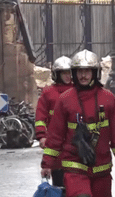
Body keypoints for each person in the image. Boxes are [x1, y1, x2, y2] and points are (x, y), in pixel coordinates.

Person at [40, 49, 115, 197]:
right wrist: (47, 163)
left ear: (95, 73)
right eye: (79, 71)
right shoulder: (65, 100)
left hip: (101, 170)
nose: (83, 75)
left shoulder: (108, 100)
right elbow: (55, 136)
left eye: (87, 71)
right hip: (75, 168)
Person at [35, 55, 73, 187]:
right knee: (59, 183)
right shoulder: (48, 93)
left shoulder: (78, 91)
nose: (67, 76)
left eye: (69, 72)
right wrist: (41, 136)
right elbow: (40, 116)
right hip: (55, 143)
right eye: (64, 73)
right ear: (57, 74)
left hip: (74, 142)